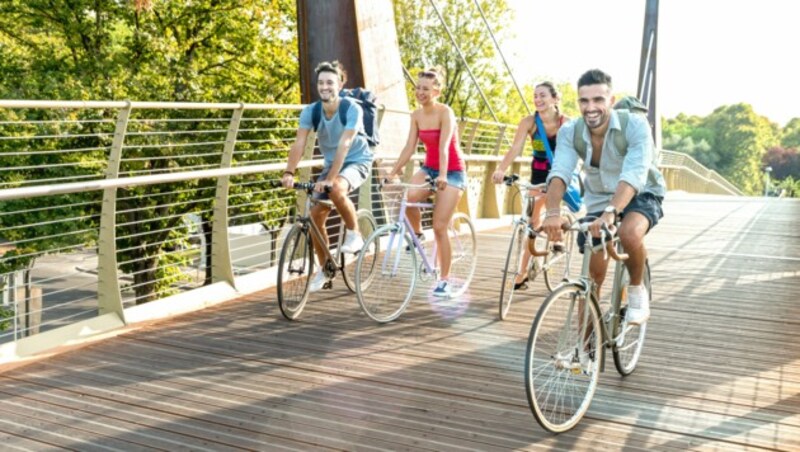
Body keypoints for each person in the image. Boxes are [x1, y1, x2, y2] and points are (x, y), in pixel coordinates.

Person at [542, 69, 666, 325]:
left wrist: (612, 213)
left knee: (629, 233)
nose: (591, 107)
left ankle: (635, 289)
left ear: (611, 100)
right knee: (591, 279)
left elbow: (633, 174)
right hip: (599, 200)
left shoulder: (635, 125)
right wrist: (552, 212)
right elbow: (560, 173)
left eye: (598, 100)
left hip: (641, 193)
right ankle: (585, 354)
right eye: (584, 101)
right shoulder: (571, 131)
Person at [281, 60, 373, 292]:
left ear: (340, 84)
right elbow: (299, 143)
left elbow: (345, 143)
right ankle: (326, 268)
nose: (325, 87)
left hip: (356, 160)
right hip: (332, 164)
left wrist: (331, 179)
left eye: (330, 82)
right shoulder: (311, 111)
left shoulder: (352, 109)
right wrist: (289, 172)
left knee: (337, 189)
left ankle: (354, 234)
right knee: (314, 218)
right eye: (321, 82)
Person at [384, 67, 466, 298]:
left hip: (452, 171)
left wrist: (442, 175)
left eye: (426, 89)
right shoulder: (416, 115)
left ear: (437, 91)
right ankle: (418, 234)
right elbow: (410, 147)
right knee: (407, 197)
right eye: (418, 87)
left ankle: (445, 280)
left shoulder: (445, 112)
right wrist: (393, 172)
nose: (420, 92)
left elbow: (444, 145)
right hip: (429, 168)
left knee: (440, 226)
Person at [491, 82, 569, 290]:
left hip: (559, 174)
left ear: (555, 98)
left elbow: (577, 151)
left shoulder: (566, 124)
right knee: (532, 224)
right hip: (538, 173)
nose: (538, 100)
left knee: (551, 205)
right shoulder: (529, 122)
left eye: (542, 95)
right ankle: (523, 272)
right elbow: (516, 148)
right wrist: (501, 169)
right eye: (535, 96)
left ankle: (557, 234)